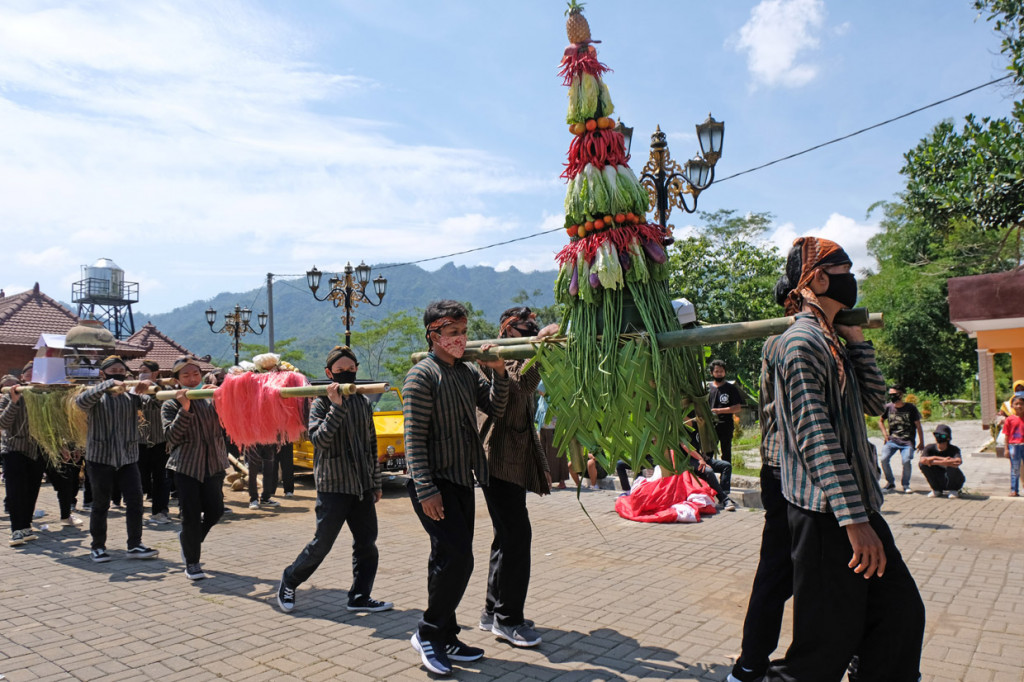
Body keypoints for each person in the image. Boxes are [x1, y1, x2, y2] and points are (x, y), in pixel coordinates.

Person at [761, 237, 924, 681]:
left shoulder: (833, 340)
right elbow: (815, 436)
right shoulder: (800, 344)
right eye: (846, 271)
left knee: (899, 621)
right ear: (816, 278)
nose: (853, 280)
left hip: (857, 507)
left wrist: (858, 344)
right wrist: (854, 521)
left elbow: (875, 403)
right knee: (820, 653)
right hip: (826, 517)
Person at [404, 300, 508, 676]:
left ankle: (446, 633)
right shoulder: (420, 377)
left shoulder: (466, 373)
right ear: (433, 334)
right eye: (452, 333)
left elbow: (495, 408)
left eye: (463, 332)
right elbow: (413, 439)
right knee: (460, 557)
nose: (460, 339)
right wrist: (426, 489)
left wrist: (497, 373)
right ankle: (429, 632)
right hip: (434, 484)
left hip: (464, 479)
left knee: (444, 559)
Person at [277, 346, 393, 614]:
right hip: (333, 486)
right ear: (329, 373)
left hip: (362, 486)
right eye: (340, 371)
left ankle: (360, 596)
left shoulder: (363, 402)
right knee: (322, 543)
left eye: (351, 370)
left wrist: (375, 483)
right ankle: (290, 580)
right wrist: (336, 408)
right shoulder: (319, 403)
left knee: (367, 544)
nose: (346, 374)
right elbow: (319, 440)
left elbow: (370, 443)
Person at [477, 307, 556, 648]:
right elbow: (518, 389)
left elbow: (529, 381)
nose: (531, 331)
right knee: (517, 537)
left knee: (505, 537)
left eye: (534, 328)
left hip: (513, 460)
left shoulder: (518, 357)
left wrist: (542, 348)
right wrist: (538, 349)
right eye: (525, 328)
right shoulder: (491, 359)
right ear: (507, 330)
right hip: (496, 460)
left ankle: (492, 610)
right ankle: (508, 620)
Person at [729, 336, 792, 682]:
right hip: (789, 474)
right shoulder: (789, 345)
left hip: (793, 474)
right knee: (778, 572)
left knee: (785, 573)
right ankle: (752, 663)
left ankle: (752, 663)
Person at [75, 356, 160, 562]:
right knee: (101, 504)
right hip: (100, 458)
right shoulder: (95, 395)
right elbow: (80, 403)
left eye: (121, 369)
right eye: (113, 369)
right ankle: (97, 547)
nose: (119, 372)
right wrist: (107, 385)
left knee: (135, 502)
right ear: (104, 373)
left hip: (128, 458)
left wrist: (150, 386)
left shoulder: (131, 397)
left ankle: (134, 544)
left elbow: (154, 404)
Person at [162, 357, 229, 580]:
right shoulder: (170, 403)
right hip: (187, 467)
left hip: (214, 465)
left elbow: (227, 423)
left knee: (216, 510)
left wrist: (220, 397)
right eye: (186, 375)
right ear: (177, 380)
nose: (192, 379)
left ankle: (189, 541)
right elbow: (172, 436)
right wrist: (185, 408)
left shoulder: (210, 398)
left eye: (195, 374)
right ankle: (192, 562)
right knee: (190, 516)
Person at [1, 374, 46, 547]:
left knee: (32, 490)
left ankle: (26, 526)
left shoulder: (39, 398)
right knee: (15, 492)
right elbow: (3, 423)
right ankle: (16, 529)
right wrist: (14, 402)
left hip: (36, 450)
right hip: (14, 450)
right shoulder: (7, 399)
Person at [137, 361, 172, 525]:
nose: (141, 374)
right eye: (140, 371)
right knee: (139, 479)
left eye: (145, 371)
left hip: (160, 441)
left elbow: (159, 404)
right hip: (139, 442)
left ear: (155, 373)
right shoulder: (134, 390)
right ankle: (136, 511)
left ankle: (160, 511)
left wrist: (151, 388)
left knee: (161, 479)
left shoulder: (166, 391)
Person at [878, 384, 924, 494]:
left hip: (907, 441)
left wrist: (921, 442)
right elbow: (880, 421)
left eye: (894, 394)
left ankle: (906, 484)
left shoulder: (911, 408)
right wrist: (885, 435)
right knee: (884, 459)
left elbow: (918, 426)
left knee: (906, 461)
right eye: (890, 395)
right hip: (892, 440)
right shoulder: (888, 407)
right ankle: (890, 482)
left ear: (901, 394)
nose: (892, 397)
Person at [707, 359, 743, 464]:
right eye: (716, 371)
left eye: (721, 371)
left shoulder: (731, 388)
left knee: (726, 452)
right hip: (710, 425)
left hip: (726, 425)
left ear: (725, 372)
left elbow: (737, 408)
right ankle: (709, 477)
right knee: (707, 452)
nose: (719, 374)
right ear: (711, 373)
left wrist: (719, 411)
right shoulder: (707, 389)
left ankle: (725, 478)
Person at [918, 424, 965, 499]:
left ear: (948, 438)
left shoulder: (954, 449)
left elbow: (958, 461)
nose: (939, 438)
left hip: (954, 480)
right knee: (922, 465)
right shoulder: (930, 447)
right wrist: (942, 460)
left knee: (952, 466)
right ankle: (936, 489)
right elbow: (922, 460)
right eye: (936, 435)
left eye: (942, 436)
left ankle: (953, 490)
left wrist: (931, 461)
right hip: (939, 478)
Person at [246, 443, 279, 509]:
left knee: (269, 470)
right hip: (254, 440)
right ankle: (253, 499)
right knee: (253, 471)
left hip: (269, 441)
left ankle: (266, 498)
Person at [1003, 395, 1024, 497]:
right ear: (1012, 406)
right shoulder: (1009, 420)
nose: (1019, 406)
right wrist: (1006, 449)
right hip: (1014, 446)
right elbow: (1006, 435)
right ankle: (1014, 490)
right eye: (1016, 404)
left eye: (1021, 404)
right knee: (1015, 469)